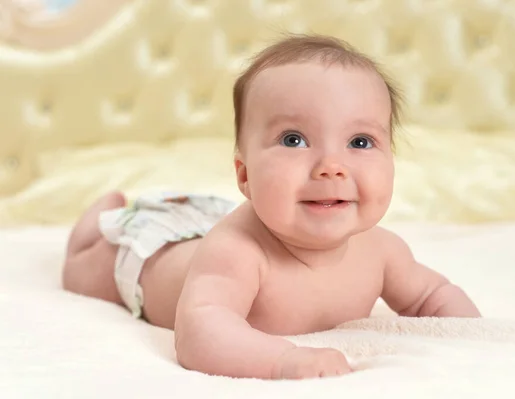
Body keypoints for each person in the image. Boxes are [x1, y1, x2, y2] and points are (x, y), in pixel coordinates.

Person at [62, 34, 480, 381]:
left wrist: (478, 337)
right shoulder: (238, 251)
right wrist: (283, 361)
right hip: (152, 257)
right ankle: (92, 230)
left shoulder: (383, 251)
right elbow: (200, 333)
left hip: (205, 224)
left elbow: (433, 297)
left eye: (360, 142)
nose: (331, 168)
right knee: (87, 272)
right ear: (244, 175)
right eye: (293, 139)